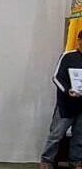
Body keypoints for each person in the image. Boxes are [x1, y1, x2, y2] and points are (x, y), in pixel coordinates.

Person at [39, 30, 82, 169]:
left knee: (79, 135)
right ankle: (47, 160)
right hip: (66, 104)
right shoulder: (68, 56)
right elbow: (56, 77)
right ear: (78, 41)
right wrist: (67, 90)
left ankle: (76, 161)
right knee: (56, 134)